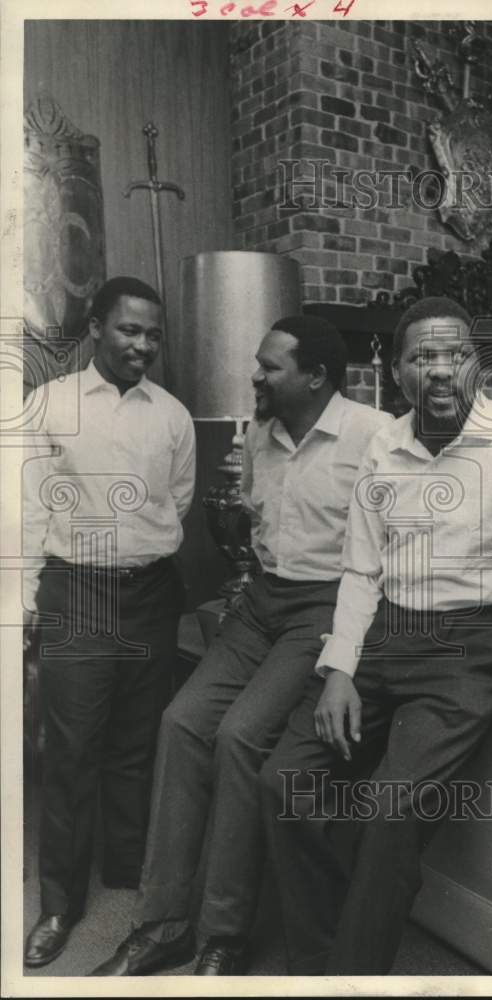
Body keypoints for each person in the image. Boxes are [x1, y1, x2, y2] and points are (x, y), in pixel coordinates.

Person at [260, 296, 492, 975]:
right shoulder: (384, 442)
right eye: (422, 357)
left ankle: (352, 978)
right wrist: (341, 670)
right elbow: (360, 566)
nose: (441, 371)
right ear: (395, 371)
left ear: (477, 363)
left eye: (456, 355)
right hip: (383, 634)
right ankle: (321, 955)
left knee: (390, 808)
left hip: (471, 647)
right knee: (283, 780)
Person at [91, 315, 393, 976]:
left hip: (324, 602)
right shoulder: (260, 433)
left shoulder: (374, 437)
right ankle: (163, 921)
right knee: (181, 722)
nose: (255, 376)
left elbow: (385, 553)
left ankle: (223, 934)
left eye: (270, 366)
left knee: (240, 736)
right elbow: (258, 522)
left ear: (314, 377)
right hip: (262, 603)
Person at [22, 277, 196, 968]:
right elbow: (28, 508)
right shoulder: (50, 405)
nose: (143, 345)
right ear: (96, 327)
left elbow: (175, 504)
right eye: (129, 330)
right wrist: (27, 606)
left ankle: (125, 872)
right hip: (78, 590)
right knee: (71, 750)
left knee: (135, 743)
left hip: (152, 593)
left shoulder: (173, 416)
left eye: (153, 334)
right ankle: (59, 904)